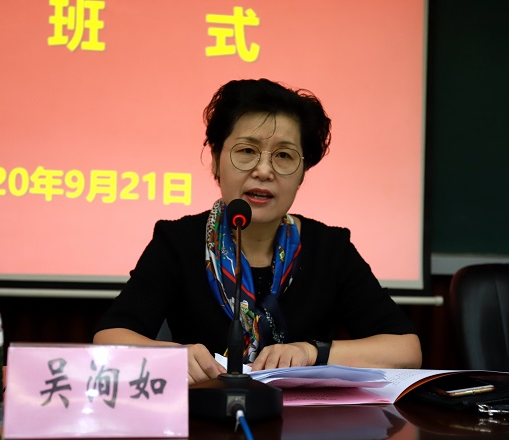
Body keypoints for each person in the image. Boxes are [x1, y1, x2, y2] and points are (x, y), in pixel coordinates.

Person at [93, 78, 422, 385]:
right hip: (206, 415)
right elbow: (109, 338)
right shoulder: (177, 241)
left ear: (302, 174)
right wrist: (171, 356)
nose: (264, 171)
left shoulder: (329, 248)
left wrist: (311, 352)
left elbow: (405, 349)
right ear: (216, 159)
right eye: (247, 151)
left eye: (284, 156)